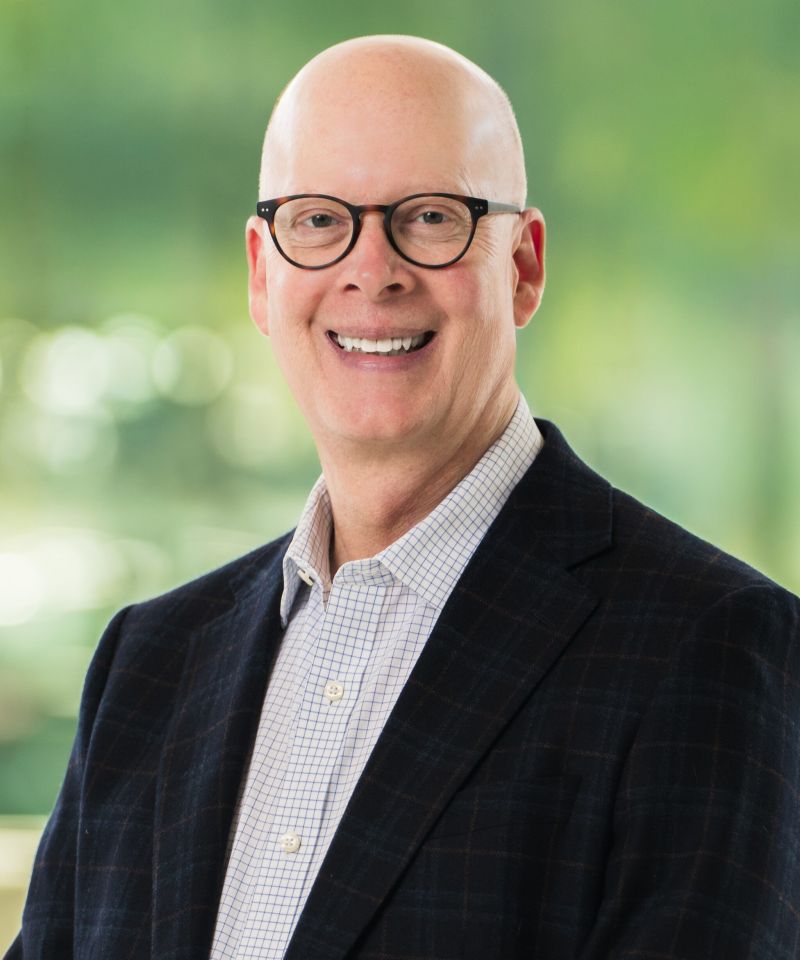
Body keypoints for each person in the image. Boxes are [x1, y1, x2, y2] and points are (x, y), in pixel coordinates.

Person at [6, 34, 800, 960]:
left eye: (429, 217)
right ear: (263, 275)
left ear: (524, 265)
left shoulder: (714, 649)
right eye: (318, 221)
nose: (371, 270)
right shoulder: (148, 665)